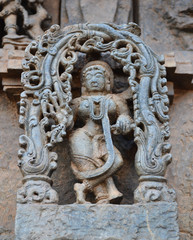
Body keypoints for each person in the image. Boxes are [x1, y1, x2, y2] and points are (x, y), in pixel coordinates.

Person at [69, 60, 133, 204]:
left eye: (98, 76)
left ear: (108, 81)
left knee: (117, 161)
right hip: (82, 136)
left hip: (103, 138)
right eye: (89, 77)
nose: (94, 80)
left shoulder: (116, 100)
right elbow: (68, 123)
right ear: (84, 83)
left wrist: (124, 121)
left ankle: (83, 188)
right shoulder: (78, 102)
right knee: (89, 165)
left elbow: (126, 117)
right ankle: (102, 197)